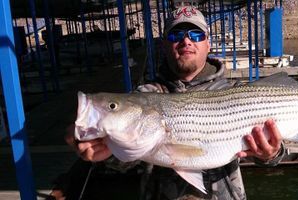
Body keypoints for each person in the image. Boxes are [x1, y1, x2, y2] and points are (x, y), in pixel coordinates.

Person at [53, 6, 285, 200]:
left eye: (195, 35)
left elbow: (273, 155)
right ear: (165, 45)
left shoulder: (234, 92)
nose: (186, 41)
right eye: (176, 35)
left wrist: (271, 154)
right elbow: (129, 157)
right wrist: (103, 151)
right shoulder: (146, 94)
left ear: (208, 44)